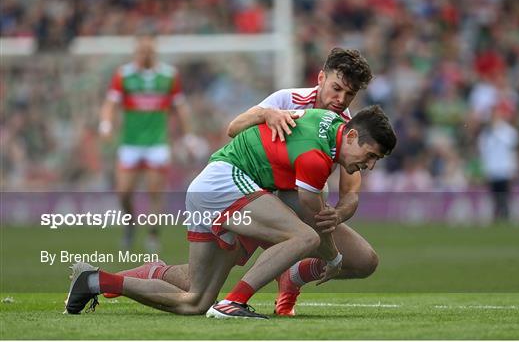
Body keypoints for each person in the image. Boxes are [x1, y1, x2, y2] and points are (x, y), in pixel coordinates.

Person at [101, 47, 379, 317]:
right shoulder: (287, 99)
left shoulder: (349, 129)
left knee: (363, 260)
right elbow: (233, 128)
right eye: (336, 88)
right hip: (248, 194)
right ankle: (171, 280)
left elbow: (351, 192)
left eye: (350, 94)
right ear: (320, 78)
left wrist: (338, 214)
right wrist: (266, 114)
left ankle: (293, 276)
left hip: (282, 207)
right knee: (193, 286)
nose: (341, 99)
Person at [65, 106, 397, 319]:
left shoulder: (332, 121)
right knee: (303, 236)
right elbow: (313, 218)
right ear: (352, 135)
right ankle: (234, 303)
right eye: (369, 156)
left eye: (375, 162)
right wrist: (335, 260)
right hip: (227, 182)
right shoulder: (316, 156)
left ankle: (94, 280)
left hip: (211, 186)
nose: (367, 166)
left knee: (194, 300)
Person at [98, 32, 190, 252]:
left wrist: (188, 135)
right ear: (136, 51)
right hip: (130, 143)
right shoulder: (124, 75)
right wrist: (106, 124)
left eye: (149, 50)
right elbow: (110, 103)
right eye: (141, 50)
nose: (145, 54)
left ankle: (153, 234)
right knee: (124, 192)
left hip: (157, 143)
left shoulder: (168, 76)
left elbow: (181, 107)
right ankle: (130, 225)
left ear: (154, 51)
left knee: (154, 191)